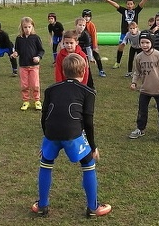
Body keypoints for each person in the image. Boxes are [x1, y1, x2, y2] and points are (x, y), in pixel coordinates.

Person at [31, 53, 112, 218]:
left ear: (62, 70)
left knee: (46, 163)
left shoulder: (51, 89)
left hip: (51, 134)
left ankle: (42, 205)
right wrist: (93, 147)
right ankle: (93, 207)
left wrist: (45, 140)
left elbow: (44, 117)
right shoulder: (88, 92)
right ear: (84, 71)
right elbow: (88, 123)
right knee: (88, 163)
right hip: (72, 134)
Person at [129, 30, 159, 141]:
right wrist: (134, 82)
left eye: (147, 42)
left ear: (152, 43)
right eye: (142, 42)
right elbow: (137, 72)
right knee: (142, 111)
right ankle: (140, 129)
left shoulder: (158, 55)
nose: (144, 45)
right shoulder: (139, 57)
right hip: (145, 90)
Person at [102, 0, 155, 69]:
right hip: (124, 33)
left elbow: (142, 3)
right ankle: (118, 62)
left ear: (133, 5)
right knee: (121, 46)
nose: (129, 5)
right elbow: (116, 5)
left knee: (139, 47)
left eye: (131, 4)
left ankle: (144, 61)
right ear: (126, 5)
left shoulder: (136, 11)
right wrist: (107, 0)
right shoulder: (123, 11)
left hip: (135, 33)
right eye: (128, 4)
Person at [12, 17, 45, 111]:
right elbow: (17, 50)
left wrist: (38, 57)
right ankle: (26, 101)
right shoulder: (19, 39)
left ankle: (37, 100)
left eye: (29, 27)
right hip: (23, 66)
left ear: (32, 27)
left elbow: (41, 50)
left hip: (34, 66)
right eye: (25, 27)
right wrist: (16, 53)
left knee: (35, 84)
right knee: (24, 85)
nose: (27, 29)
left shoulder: (35, 38)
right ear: (22, 28)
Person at [82, 9, 107, 77]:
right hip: (83, 45)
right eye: (85, 16)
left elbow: (94, 36)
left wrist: (95, 46)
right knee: (83, 58)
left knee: (97, 57)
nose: (87, 18)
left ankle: (101, 70)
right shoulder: (81, 24)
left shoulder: (91, 25)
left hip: (91, 44)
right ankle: (83, 71)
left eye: (88, 16)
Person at [75, 17, 95, 89]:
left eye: (83, 25)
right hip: (74, 55)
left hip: (83, 55)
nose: (81, 27)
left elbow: (88, 48)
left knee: (87, 70)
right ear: (76, 25)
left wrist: (90, 58)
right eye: (80, 25)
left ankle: (91, 87)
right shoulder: (73, 34)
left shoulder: (86, 35)